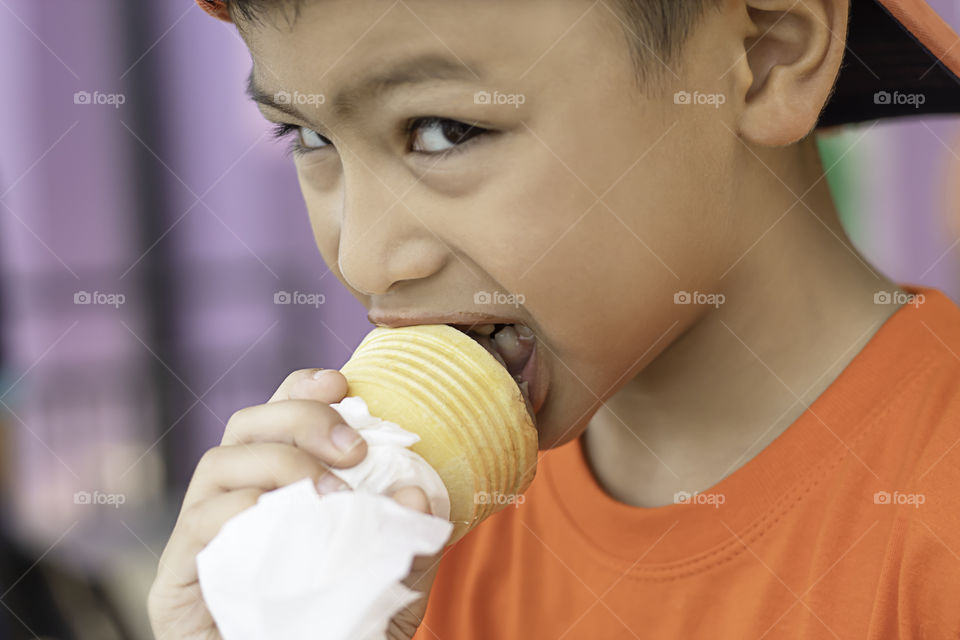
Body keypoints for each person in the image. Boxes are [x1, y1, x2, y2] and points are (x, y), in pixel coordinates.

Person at [150, 0, 960, 637]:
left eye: (444, 130)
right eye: (308, 135)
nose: (363, 259)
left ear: (763, 56)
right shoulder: (399, 545)